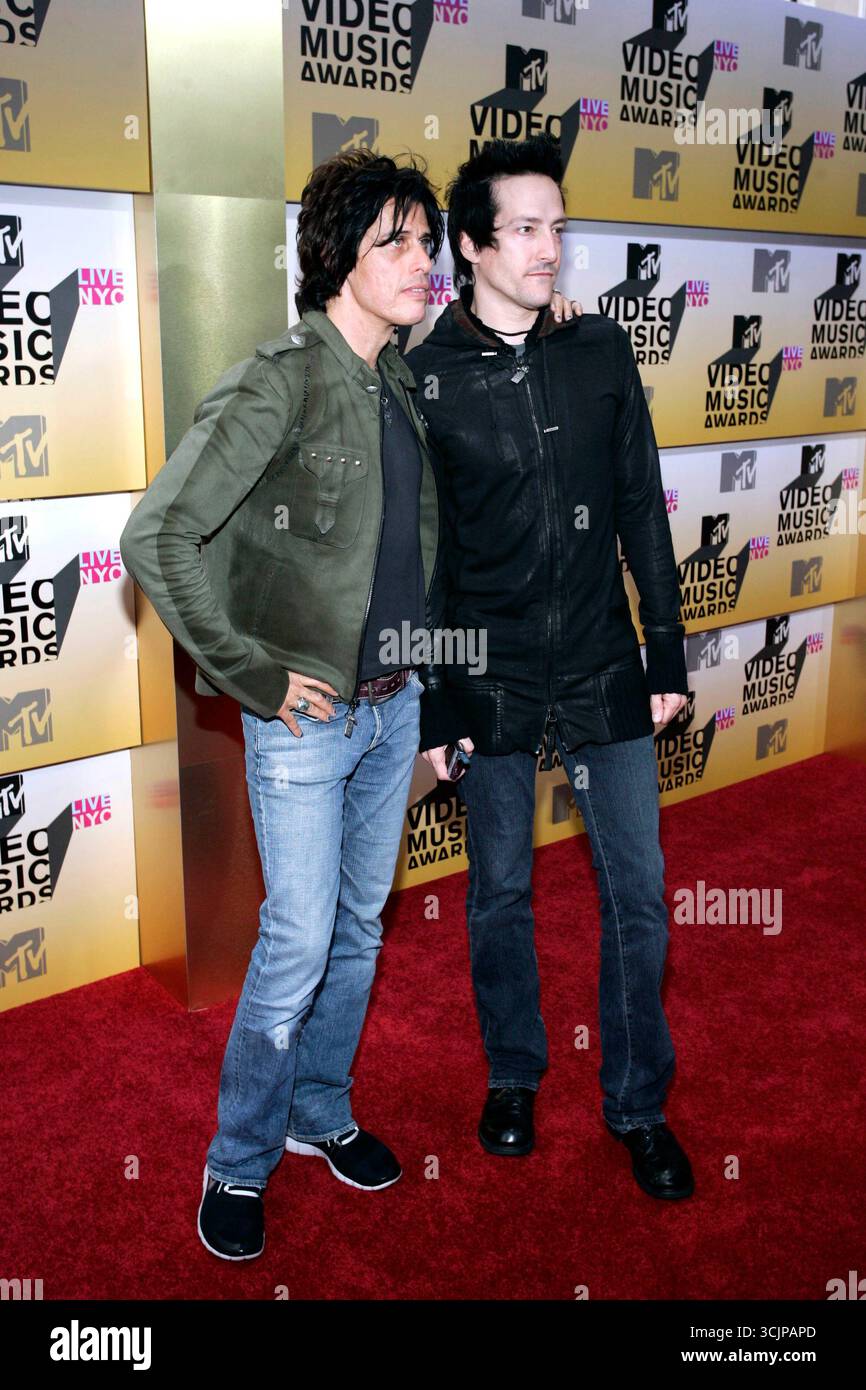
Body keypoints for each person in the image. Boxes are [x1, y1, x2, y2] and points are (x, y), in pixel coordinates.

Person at [119, 148, 452, 1259]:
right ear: (336, 262)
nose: (423, 262)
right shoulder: (282, 376)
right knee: (299, 940)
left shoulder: (396, 379)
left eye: (426, 239)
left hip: (393, 702)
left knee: (357, 930)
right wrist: (254, 674)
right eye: (395, 243)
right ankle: (239, 1156)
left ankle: (318, 1109)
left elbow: (408, 559)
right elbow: (156, 534)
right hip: (306, 719)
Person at [405, 133, 695, 1200]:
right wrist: (439, 695)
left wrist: (662, 647)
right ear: (471, 246)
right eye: (524, 229)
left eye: (556, 226)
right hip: (487, 671)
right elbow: (423, 562)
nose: (548, 247)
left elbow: (638, 507)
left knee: (641, 895)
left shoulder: (598, 348)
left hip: (602, 662)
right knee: (499, 893)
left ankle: (636, 1104)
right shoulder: (425, 377)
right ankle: (514, 1076)